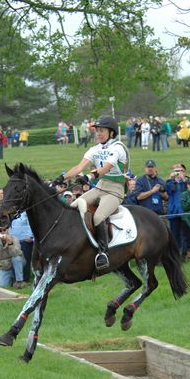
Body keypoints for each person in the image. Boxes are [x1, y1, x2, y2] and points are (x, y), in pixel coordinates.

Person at [57, 115, 128, 270]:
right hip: (100, 187)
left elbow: (106, 168)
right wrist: (61, 178)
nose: (99, 133)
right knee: (74, 206)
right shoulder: (94, 149)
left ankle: (103, 254)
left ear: (111, 132)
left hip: (115, 190)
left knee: (98, 217)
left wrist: (89, 176)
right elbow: (78, 168)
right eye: (97, 131)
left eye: (102, 130)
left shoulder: (118, 147)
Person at [165, 164, 188, 252]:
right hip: (173, 212)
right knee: (174, 235)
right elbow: (170, 191)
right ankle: (175, 253)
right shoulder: (169, 182)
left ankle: (184, 254)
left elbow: (187, 190)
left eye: (180, 171)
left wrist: (183, 180)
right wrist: (173, 180)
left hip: (184, 211)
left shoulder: (187, 182)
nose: (178, 173)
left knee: (184, 235)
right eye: (176, 171)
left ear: (184, 172)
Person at [10, 211, 34, 284]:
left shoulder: (26, 213)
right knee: (15, 259)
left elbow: (30, 224)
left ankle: (25, 279)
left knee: (25, 260)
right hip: (14, 240)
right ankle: (16, 279)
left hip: (25, 240)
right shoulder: (13, 214)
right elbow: (10, 226)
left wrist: (30, 236)